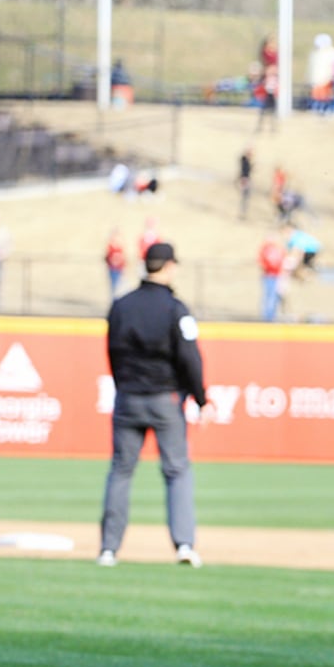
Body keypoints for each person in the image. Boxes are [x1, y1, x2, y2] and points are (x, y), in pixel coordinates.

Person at [97, 242, 210, 568]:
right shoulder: (176, 309)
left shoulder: (121, 305)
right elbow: (190, 357)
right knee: (176, 471)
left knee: (120, 470)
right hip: (165, 399)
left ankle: (109, 549)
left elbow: (112, 351)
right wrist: (200, 397)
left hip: (128, 398)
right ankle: (184, 545)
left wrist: (124, 387)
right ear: (170, 266)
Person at [258, 228, 287, 321]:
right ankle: (267, 316)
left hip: (278, 275)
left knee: (276, 296)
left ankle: (273, 315)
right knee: (268, 296)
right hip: (269, 275)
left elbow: (283, 261)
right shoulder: (265, 248)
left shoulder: (279, 248)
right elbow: (262, 261)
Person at [104, 227, 126, 300]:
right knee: (114, 285)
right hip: (112, 269)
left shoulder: (121, 246)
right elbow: (106, 257)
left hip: (119, 268)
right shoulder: (110, 246)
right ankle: (114, 300)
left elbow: (124, 257)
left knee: (120, 286)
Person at [237, 146, 255, 219]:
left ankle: (243, 212)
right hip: (244, 180)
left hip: (247, 179)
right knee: (244, 197)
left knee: (246, 197)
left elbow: (249, 170)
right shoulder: (244, 159)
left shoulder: (247, 161)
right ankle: (242, 213)